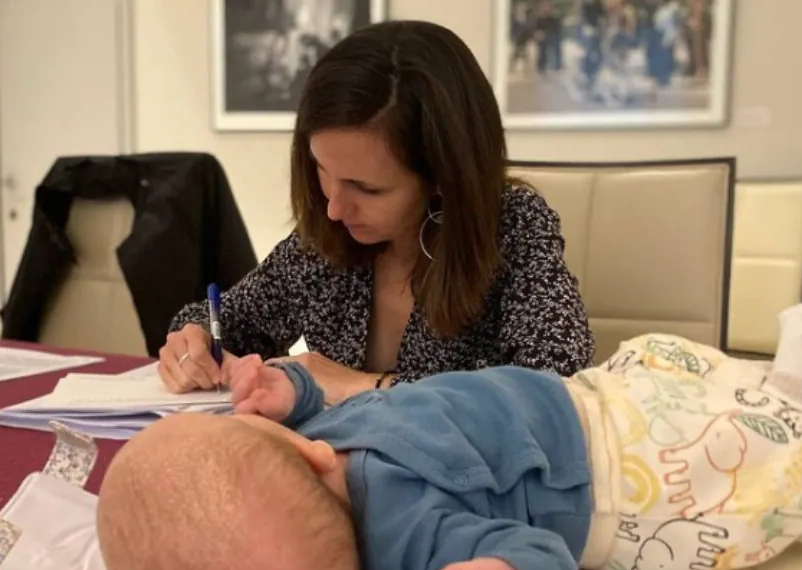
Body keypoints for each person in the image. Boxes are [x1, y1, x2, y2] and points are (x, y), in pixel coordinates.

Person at [99, 303, 802, 570]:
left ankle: (792, 395)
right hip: (634, 482)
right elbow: (534, 551)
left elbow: (341, 404)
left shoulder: (309, 447)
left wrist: (301, 389)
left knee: (716, 389)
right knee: (776, 479)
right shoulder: (413, 545)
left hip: (589, 399)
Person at [158, 20, 595, 404]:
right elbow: (226, 319)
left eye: (366, 188)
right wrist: (192, 343)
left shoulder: (514, 225)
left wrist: (356, 385)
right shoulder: (324, 242)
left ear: (444, 177)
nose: (333, 207)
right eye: (322, 170)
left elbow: (553, 389)